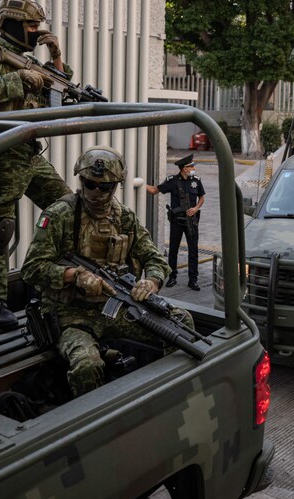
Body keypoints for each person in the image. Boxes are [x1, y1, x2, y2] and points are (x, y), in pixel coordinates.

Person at [21, 146, 195, 397]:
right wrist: (74, 276)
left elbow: (154, 258)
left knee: (181, 324)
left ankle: (165, 397)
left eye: (104, 187)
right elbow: (32, 268)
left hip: (115, 309)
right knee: (87, 366)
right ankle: (92, 421)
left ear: (115, 186)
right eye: (89, 184)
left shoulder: (123, 217)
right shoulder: (60, 215)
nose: (95, 192)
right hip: (71, 315)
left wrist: (152, 282)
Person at [0, 0, 73, 331]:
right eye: (29, 25)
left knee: (67, 208)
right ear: (10, 23)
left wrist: (55, 57)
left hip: (27, 151)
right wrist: (19, 79)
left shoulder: (30, 61)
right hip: (1, 152)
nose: (35, 31)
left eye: (37, 25)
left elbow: (61, 93)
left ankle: (47, 277)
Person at [146, 154, 205, 290]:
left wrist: (195, 209)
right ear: (184, 168)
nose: (193, 168)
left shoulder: (196, 181)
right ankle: (172, 277)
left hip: (191, 221)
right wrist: (141, 183)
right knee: (173, 250)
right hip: (177, 222)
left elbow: (202, 198)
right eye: (191, 166)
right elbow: (154, 190)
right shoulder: (172, 181)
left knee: (193, 251)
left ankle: (193, 280)